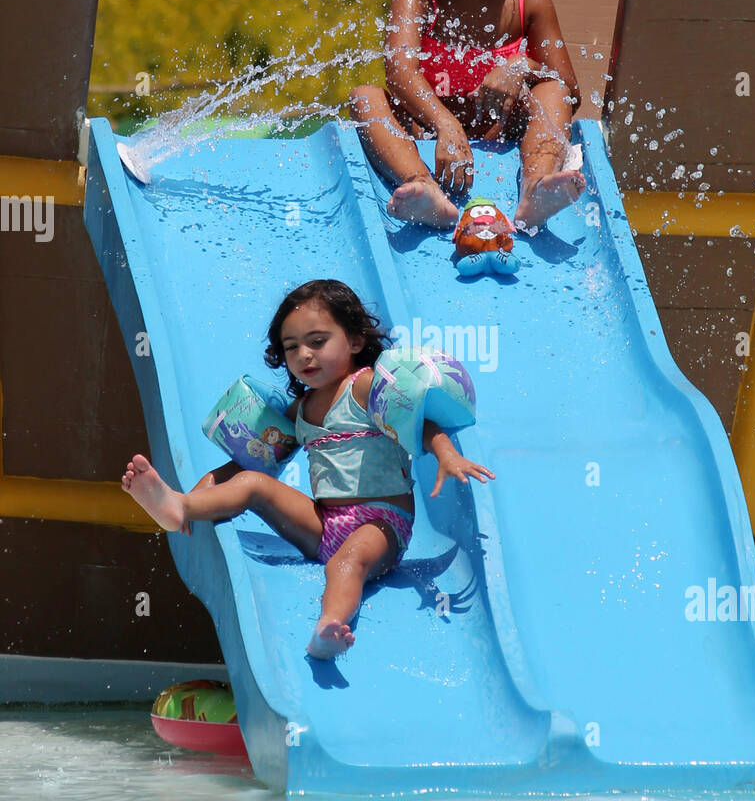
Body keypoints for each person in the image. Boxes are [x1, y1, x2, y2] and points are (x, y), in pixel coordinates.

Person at [121, 280, 493, 660]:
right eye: (291, 347)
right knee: (252, 483)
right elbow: (247, 464)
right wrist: (200, 497)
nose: (304, 355)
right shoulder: (300, 411)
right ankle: (178, 507)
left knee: (346, 564)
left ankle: (328, 629)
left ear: (354, 341)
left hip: (380, 525)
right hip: (322, 522)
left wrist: (446, 454)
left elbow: (421, 422)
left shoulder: (366, 388)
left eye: (317, 341)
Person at [349, 0, 584, 233]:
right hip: (427, 138)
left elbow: (570, 89)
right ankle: (422, 187)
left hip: (505, 132)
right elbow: (399, 72)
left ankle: (536, 186)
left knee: (552, 90)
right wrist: (447, 125)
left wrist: (521, 65)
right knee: (365, 97)